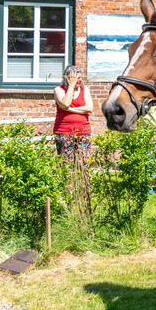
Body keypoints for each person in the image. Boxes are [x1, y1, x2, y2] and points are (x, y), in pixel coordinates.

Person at [54, 65, 95, 218]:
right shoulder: (59, 90)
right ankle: (68, 196)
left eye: (80, 76)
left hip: (83, 132)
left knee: (84, 162)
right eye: (76, 77)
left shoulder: (85, 89)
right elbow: (64, 103)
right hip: (64, 132)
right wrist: (70, 87)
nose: (80, 80)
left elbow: (90, 108)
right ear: (68, 78)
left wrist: (70, 109)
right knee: (67, 164)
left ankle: (85, 194)